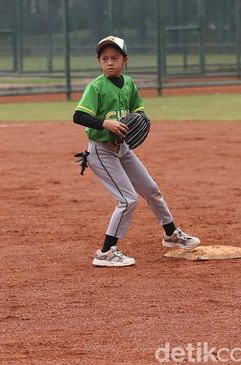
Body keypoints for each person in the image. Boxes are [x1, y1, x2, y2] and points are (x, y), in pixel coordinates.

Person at [73, 36, 200, 267]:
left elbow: (139, 112)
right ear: (99, 62)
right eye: (104, 59)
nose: (109, 62)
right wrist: (105, 123)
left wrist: (139, 121)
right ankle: (106, 252)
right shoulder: (96, 87)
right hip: (101, 152)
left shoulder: (129, 84)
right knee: (127, 199)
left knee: (151, 189)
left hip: (122, 148)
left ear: (125, 60)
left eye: (115, 58)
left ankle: (171, 235)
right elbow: (78, 116)